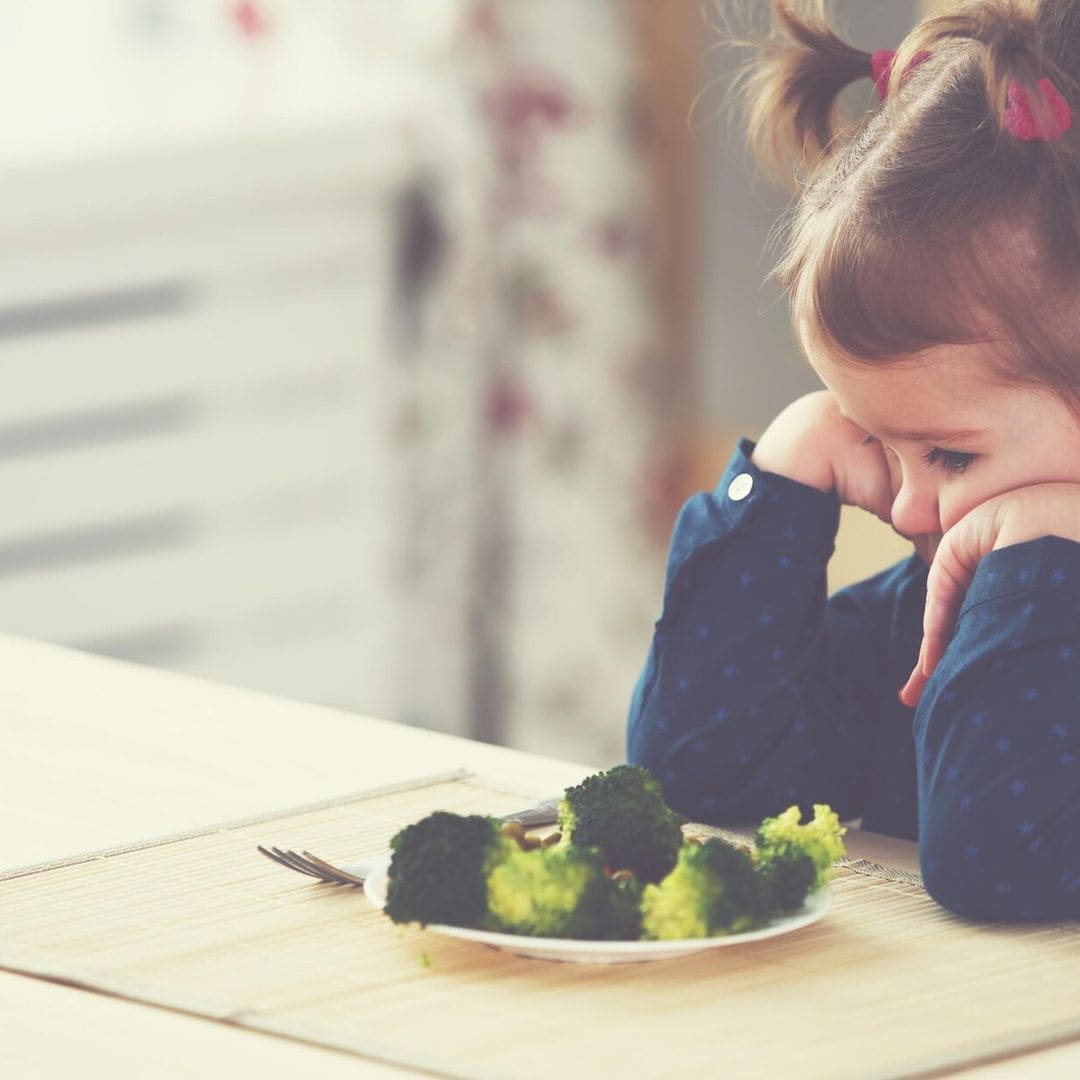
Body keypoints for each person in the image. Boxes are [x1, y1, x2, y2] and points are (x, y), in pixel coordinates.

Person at [627, 0, 1080, 921]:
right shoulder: (934, 613)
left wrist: (1042, 555)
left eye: (949, 454)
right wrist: (786, 478)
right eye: (881, 443)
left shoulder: (1019, 603)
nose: (909, 508)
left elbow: (1000, 870)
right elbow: (703, 778)